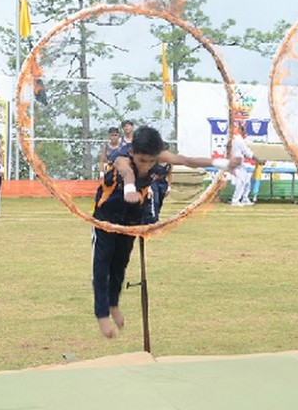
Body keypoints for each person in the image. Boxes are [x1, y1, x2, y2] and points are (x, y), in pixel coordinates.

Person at [92, 125, 235, 338]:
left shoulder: (160, 157)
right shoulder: (122, 158)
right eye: (142, 160)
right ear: (132, 152)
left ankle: (113, 304)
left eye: (151, 161)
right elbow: (127, 172)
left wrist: (224, 163)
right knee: (103, 264)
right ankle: (102, 314)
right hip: (106, 216)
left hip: (131, 218)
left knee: (120, 264)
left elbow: (188, 161)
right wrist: (129, 189)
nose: (146, 166)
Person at [229, 122, 262, 206]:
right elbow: (247, 152)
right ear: (240, 130)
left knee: (247, 181)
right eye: (244, 129)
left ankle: (245, 198)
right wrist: (258, 160)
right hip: (237, 162)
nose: (245, 131)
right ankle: (235, 200)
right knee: (241, 181)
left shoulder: (237, 139)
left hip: (239, 162)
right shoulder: (238, 140)